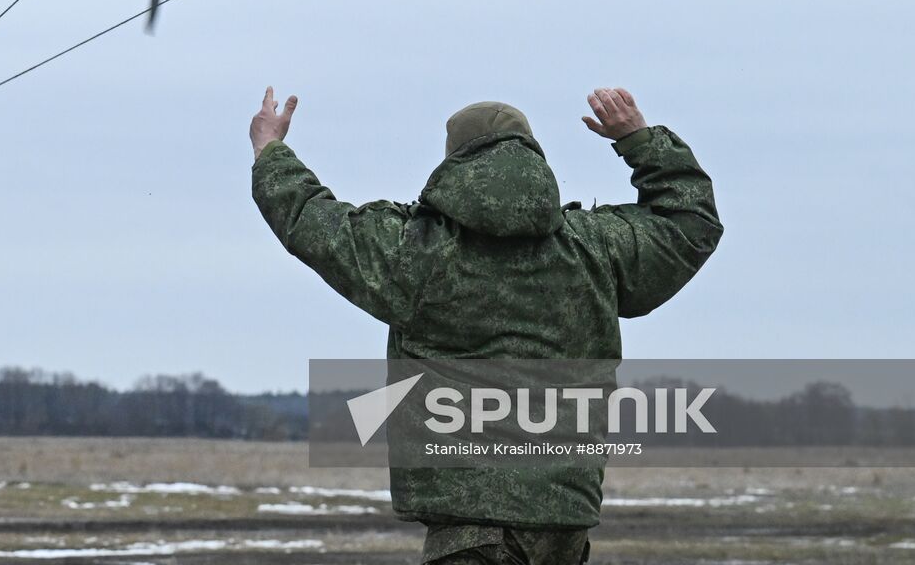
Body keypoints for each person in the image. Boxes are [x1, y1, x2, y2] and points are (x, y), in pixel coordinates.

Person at [249, 87, 723, 565]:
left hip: (468, 531)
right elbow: (690, 222)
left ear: (454, 161)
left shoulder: (415, 252)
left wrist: (271, 151)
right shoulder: (597, 249)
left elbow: (311, 221)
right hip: (566, 523)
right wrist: (639, 140)